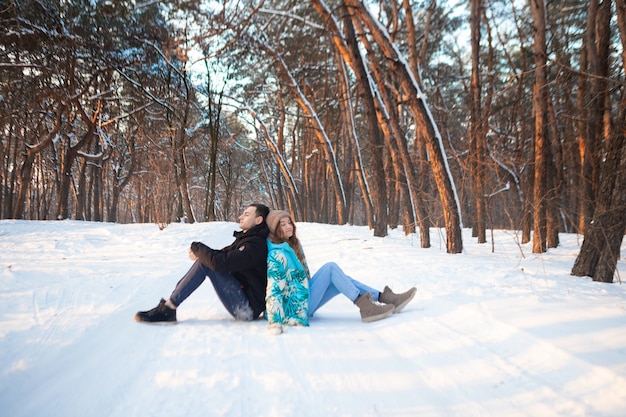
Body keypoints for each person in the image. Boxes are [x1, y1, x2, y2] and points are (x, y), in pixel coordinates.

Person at [265, 210, 417, 334]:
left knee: (341, 279)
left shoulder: (292, 244)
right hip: (295, 310)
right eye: (283, 225)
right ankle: (366, 307)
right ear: (275, 229)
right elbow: (274, 289)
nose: (288, 226)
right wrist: (275, 321)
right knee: (331, 268)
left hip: (303, 300)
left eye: (289, 222)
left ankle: (385, 298)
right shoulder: (277, 254)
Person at [135, 203, 270, 323]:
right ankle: (169, 305)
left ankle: (169, 309)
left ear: (258, 220)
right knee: (205, 261)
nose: (241, 217)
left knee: (205, 264)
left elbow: (219, 262)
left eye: (246, 215)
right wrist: (201, 253)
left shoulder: (255, 245)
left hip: (247, 309)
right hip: (243, 298)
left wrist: (197, 247)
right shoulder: (247, 240)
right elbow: (223, 255)